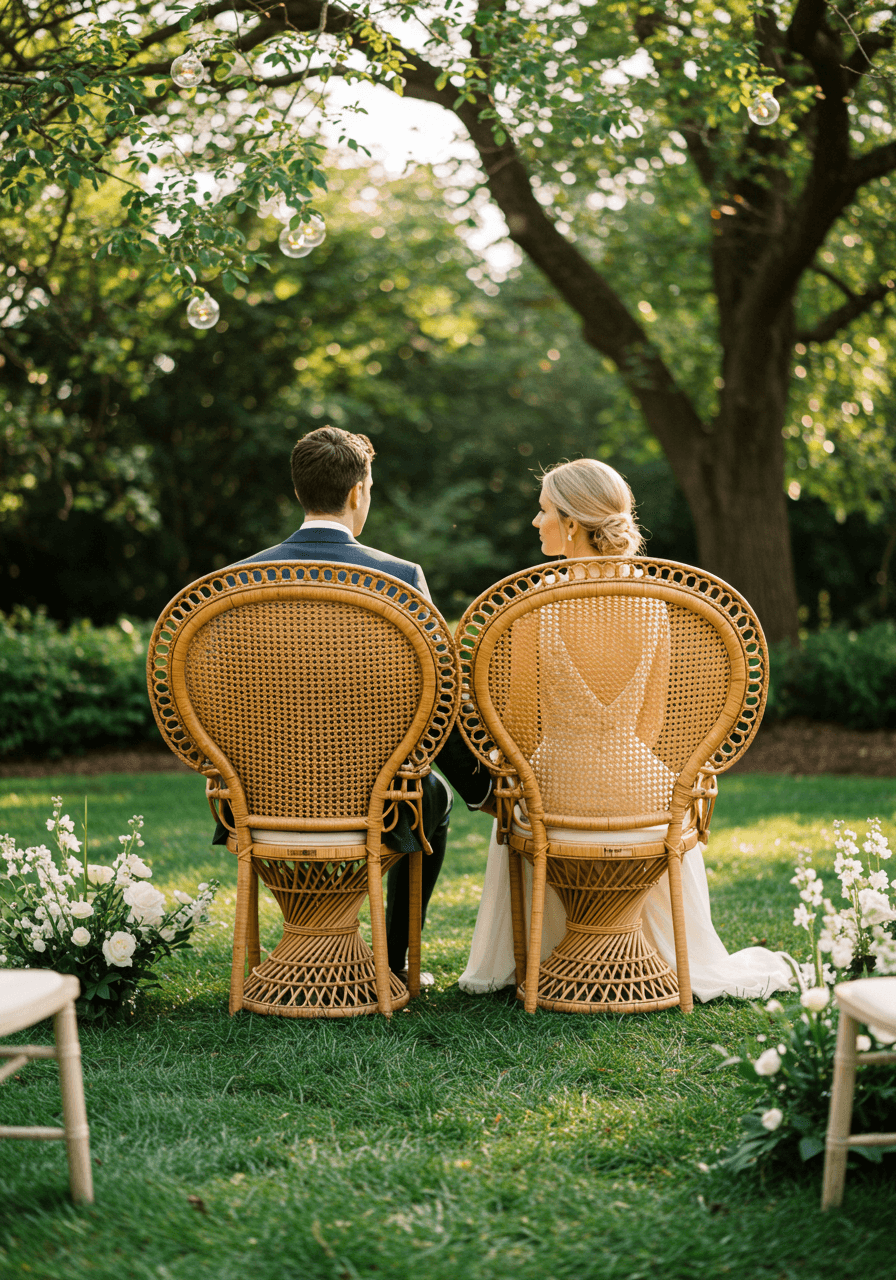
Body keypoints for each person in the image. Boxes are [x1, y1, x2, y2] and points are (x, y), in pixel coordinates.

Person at [458, 457, 795, 1002]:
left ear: (571, 524)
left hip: (552, 791)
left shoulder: (532, 605)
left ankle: (538, 955)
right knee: (657, 782)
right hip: (643, 790)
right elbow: (653, 723)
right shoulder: (656, 603)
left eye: (542, 511)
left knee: (521, 787)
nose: (534, 522)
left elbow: (514, 730)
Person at [213, 425, 493, 981]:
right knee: (426, 796)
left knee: (422, 793)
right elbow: (436, 698)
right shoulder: (399, 579)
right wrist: (479, 785)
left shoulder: (236, 582)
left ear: (300, 491)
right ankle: (391, 961)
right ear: (359, 491)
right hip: (373, 800)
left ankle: (303, 946)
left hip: (256, 796)